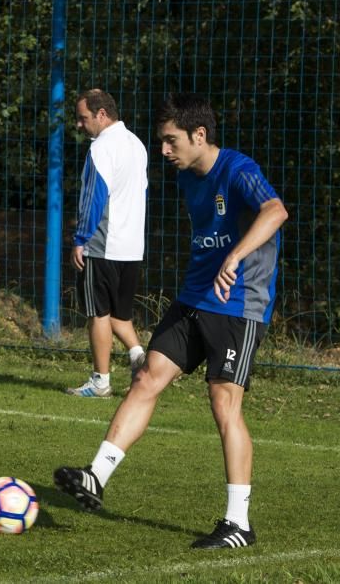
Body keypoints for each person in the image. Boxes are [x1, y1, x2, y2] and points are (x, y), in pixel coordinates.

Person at [54, 93, 288, 549]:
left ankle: (238, 523)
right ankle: (96, 476)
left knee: (224, 405)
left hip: (239, 304)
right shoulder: (188, 178)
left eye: (170, 140)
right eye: (162, 141)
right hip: (194, 298)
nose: (163, 150)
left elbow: (275, 211)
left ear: (199, 135)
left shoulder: (238, 169)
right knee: (146, 378)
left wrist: (235, 257)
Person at [67, 89, 148, 398]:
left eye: (82, 118)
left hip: (103, 244)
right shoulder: (136, 144)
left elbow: (93, 197)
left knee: (98, 313)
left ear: (101, 115)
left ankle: (100, 381)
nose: (79, 124)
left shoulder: (101, 147)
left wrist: (81, 239)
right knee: (119, 314)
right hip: (132, 245)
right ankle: (139, 356)